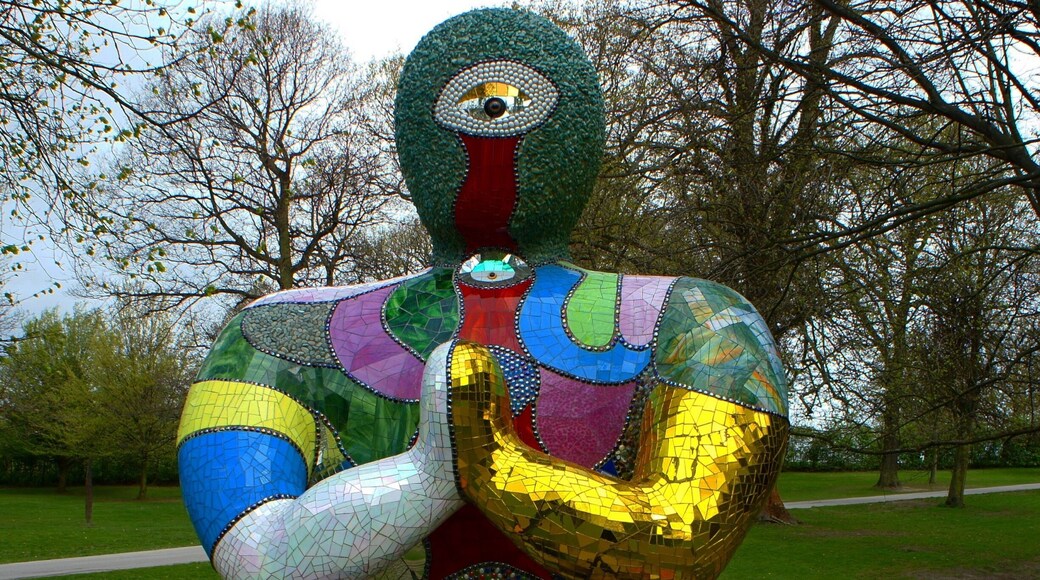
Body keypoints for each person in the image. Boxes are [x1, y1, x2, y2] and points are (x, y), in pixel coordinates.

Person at [177, 8, 789, 579]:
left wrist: (489, 460)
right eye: (476, 102)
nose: (495, 120)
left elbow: (684, 541)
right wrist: (431, 471)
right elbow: (253, 555)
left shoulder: (700, 317)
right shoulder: (269, 331)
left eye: (512, 102)